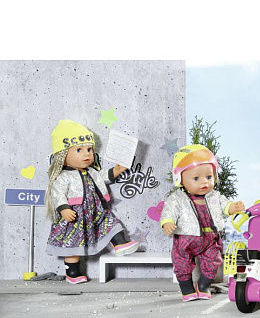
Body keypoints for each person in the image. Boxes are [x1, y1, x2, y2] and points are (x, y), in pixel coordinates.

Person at [45, 120, 139, 284]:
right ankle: (73, 273)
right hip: (75, 216)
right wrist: (63, 208)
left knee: (110, 223)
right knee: (73, 245)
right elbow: (57, 193)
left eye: (89, 149)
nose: (87, 154)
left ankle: (120, 243)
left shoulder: (91, 172)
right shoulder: (64, 177)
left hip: (96, 211)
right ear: (63, 156)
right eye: (79, 150)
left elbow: (103, 177)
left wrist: (116, 170)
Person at [160, 144, 245, 301]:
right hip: (185, 238)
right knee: (181, 263)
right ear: (179, 178)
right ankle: (186, 288)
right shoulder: (177, 198)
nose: (204, 182)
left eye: (209, 177)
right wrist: (167, 222)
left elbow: (225, 205)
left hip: (209, 239)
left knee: (213, 261)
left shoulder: (214, 196)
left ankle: (204, 285)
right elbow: (169, 210)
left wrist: (233, 207)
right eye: (196, 178)